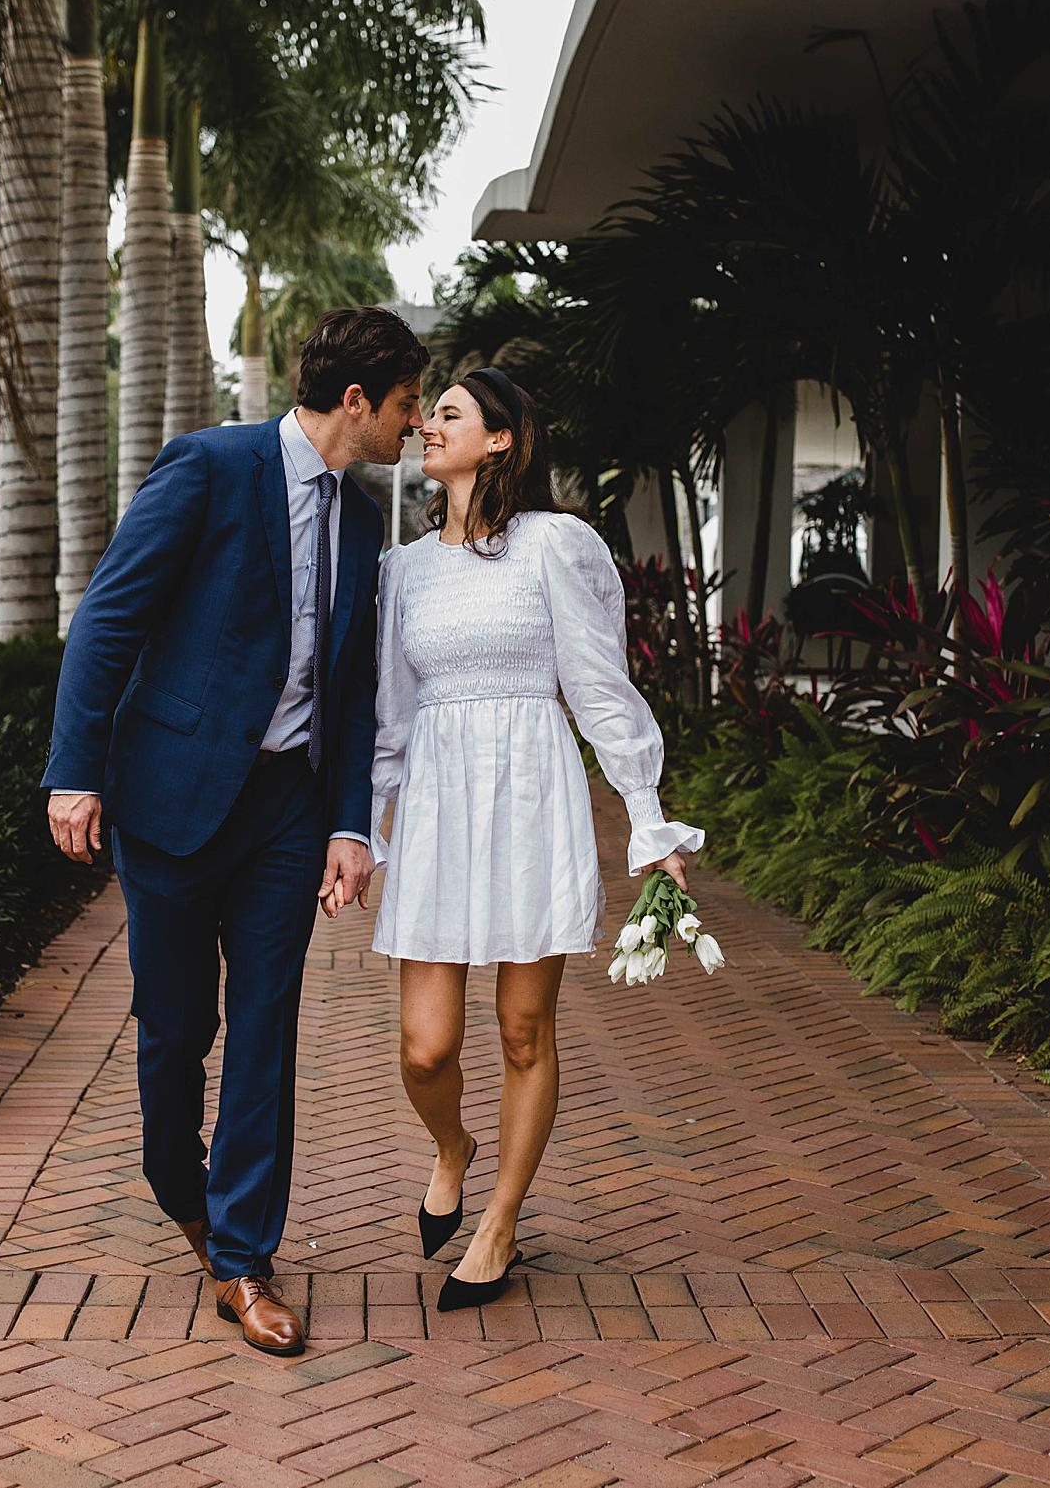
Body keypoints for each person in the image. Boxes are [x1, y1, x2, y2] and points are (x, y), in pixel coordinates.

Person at [41, 307, 423, 1355]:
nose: (412, 426)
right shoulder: (209, 467)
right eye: (403, 406)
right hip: (169, 800)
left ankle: (244, 1257)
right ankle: (183, 1185)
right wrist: (73, 775)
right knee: (175, 1034)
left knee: (265, 1027)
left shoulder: (361, 521)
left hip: (286, 814)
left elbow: (349, 691)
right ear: (357, 402)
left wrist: (351, 821)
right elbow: (108, 619)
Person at [369, 366, 702, 1311]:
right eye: (427, 413)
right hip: (438, 799)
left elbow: (598, 686)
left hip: (531, 795)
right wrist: (368, 830)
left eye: (449, 414)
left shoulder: (556, 545)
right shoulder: (405, 569)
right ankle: (453, 1145)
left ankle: (502, 1221)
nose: (427, 425)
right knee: (425, 1047)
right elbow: (390, 717)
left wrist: (647, 818)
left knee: (524, 1028)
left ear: (504, 439)